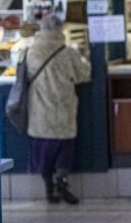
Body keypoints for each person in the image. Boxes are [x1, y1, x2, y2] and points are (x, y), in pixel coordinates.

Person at [26, 13, 91, 204]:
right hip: (64, 107)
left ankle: (48, 186)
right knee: (65, 145)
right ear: (60, 30)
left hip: (39, 109)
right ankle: (61, 180)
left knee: (43, 147)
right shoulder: (68, 52)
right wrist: (84, 57)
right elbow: (84, 75)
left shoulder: (31, 52)